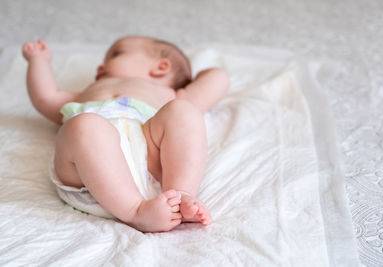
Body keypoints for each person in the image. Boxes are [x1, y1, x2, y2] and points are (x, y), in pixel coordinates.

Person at [22, 36, 229, 233]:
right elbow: (45, 97)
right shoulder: (84, 94)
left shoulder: (168, 94)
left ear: (161, 66)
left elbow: (217, 81)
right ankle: (135, 211)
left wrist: (204, 72)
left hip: (148, 156)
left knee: (183, 110)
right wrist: (38, 61)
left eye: (115, 55)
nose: (100, 67)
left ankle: (179, 195)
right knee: (84, 126)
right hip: (88, 171)